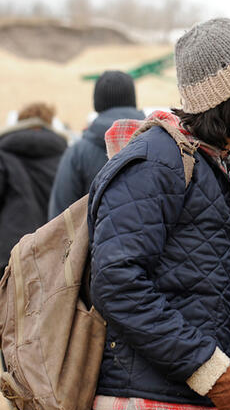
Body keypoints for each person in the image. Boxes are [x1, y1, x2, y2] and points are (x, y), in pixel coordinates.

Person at [87, 18, 230, 410]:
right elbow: (117, 282)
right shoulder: (157, 160)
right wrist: (212, 372)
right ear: (227, 98)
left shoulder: (216, 163)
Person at [48, 69, 145, 218]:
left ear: (97, 103)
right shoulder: (159, 141)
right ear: (133, 100)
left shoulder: (77, 153)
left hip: (95, 240)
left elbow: (61, 217)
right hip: (152, 240)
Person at [0, 102, 67, 268]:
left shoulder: (3, 154)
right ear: (49, 123)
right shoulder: (66, 156)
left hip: (10, 250)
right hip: (54, 249)